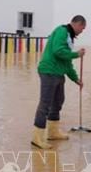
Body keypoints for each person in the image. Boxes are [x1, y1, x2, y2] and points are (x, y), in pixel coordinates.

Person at [31, 15, 86, 149]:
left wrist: (76, 79)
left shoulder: (69, 37)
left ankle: (53, 132)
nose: (82, 31)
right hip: (49, 71)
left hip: (58, 73)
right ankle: (37, 138)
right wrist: (76, 54)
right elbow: (58, 51)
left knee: (58, 102)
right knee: (45, 104)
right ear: (77, 24)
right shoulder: (62, 31)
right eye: (82, 28)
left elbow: (67, 62)